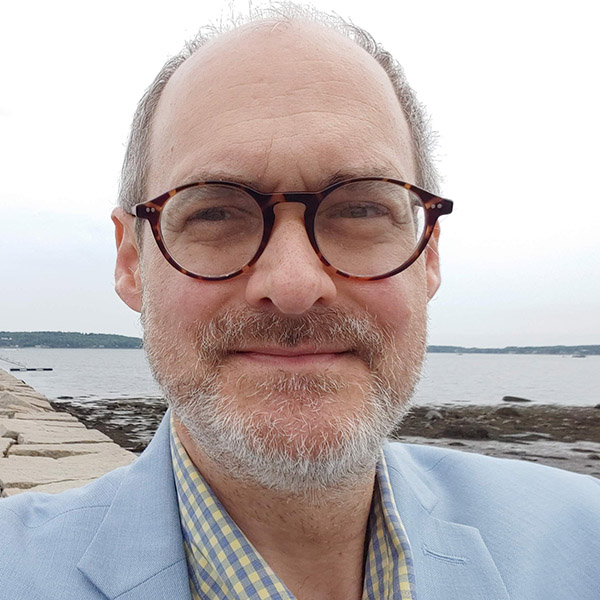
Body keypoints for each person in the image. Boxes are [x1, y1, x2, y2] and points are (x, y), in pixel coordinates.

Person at [1, 4, 598, 599]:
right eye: (214, 212)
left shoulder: (582, 538)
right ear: (132, 260)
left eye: (361, 208)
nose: (293, 285)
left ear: (429, 257)